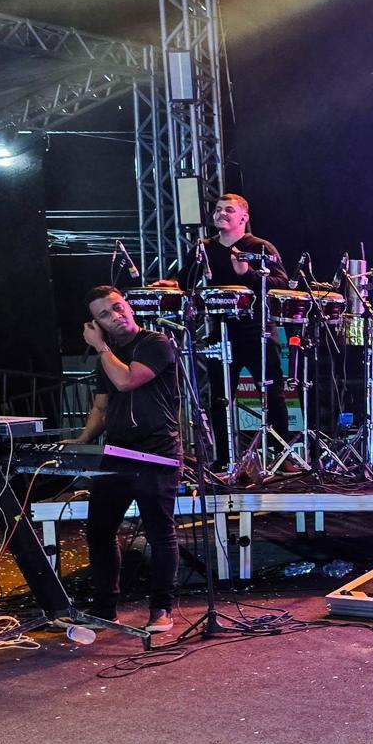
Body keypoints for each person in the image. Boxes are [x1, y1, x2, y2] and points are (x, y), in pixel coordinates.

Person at [71, 286, 183, 634]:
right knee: (99, 530)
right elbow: (101, 406)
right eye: (104, 315)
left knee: (159, 532)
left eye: (118, 307)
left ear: (129, 306)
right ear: (96, 322)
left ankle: (161, 608)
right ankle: (105, 608)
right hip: (118, 451)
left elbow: (127, 380)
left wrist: (100, 346)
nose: (115, 317)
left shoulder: (156, 343)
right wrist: (83, 440)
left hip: (156, 450)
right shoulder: (107, 356)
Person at [195, 193, 290, 456]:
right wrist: (169, 284)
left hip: (256, 330)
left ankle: (281, 456)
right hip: (221, 331)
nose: (221, 213)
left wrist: (247, 274)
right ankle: (224, 459)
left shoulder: (260, 247)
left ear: (244, 217)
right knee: (219, 398)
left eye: (229, 209)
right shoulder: (205, 247)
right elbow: (184, 280)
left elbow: (282, 284)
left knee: (272, 393)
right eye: (218, 209)